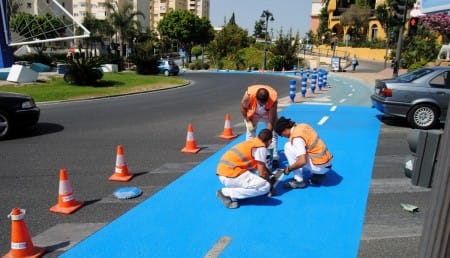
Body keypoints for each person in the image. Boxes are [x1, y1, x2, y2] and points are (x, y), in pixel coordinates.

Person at [216, 129, 273, 209]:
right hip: (231, 175)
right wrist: (270, 186)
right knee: (265, 186)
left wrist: (269, 173)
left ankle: (235, 188)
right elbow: (262, 173)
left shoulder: (253, 142)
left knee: (253, 173)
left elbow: (260, 165)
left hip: (224, 173)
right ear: (270, 141)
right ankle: (226, 193)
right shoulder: (261, 147)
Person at [274, 117, 333, 189]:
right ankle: (319, 174)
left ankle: (299, 181)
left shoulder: (297, 138)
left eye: (281, 135)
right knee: (302, 149)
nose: (283, 137)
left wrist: (289, 168)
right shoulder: (303, 125)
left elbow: (302, 161)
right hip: (327, 162)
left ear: (285, 130)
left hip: (319, 166)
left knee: (288, 146)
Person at [240, 84, 279, 168]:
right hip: (253, 112)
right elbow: (242, 107)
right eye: (261, 103)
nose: (262, 105)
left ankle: (274, 156)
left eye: (264, 103)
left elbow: (271, 120)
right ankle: (251, 155)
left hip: (267, 114)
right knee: (250, 132)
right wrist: (248, 121)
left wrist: (268, 136)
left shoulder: (273, 98)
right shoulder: (249, 95)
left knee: (273, 133)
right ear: (257, 99)